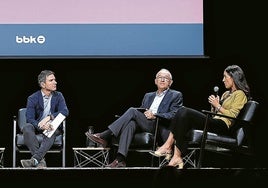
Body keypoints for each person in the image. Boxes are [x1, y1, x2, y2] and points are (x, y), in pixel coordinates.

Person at [150, 65, 251, 169]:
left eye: (225, 77)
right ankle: (176, 156)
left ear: (233, 77)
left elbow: (232, 115)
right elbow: (217, 114)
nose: (223, 80)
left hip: (224, 126)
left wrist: (218, 105)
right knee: (182, 114)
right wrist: (214, 108)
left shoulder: (240, 94)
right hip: (216, 122)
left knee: (184, 111)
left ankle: (168, 147)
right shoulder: (226, 94)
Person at [85, 68, 183, 167]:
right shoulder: (148, 96)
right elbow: (141, 110)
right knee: (130, 123)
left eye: (166, 78)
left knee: (132, 111)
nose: (162, 80)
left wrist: (155, 115)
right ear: (155, 81)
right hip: (145, 123)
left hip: (159, 125)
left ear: (170, 82)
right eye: (160, 77)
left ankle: (105, 135)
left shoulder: (175, 95)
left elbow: (174, 114)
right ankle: (120, 160)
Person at [20, 70, 69, 168]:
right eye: (51, 80)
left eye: (55, 80)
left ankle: (35, 160)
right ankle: (39, 161)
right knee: (27, 127)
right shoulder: (32, 98)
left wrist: (49, 117)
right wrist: (40, 125)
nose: (55, 82)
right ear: (43, 84)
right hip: (38, 126)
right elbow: (29, 118)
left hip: (52, 126)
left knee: (52, 129)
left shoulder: (58, 96)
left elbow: (65, 111)